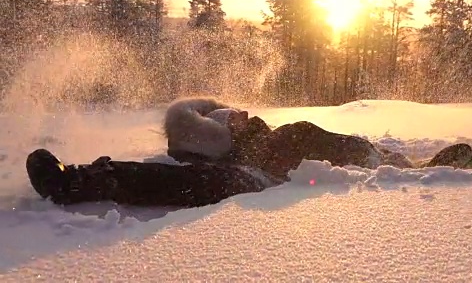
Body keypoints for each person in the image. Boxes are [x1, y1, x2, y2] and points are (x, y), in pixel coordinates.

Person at [26, 97, 412, 207]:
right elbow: (168, 183)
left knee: (300, 131)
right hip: (256, 177)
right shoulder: (230, 171)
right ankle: (80, 182)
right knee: (203, 181)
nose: (243, 116)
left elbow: (335, 143)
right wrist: (90, 179)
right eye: (233, 119)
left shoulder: (275, 137)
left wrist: (383, 158)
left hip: (274, 170)